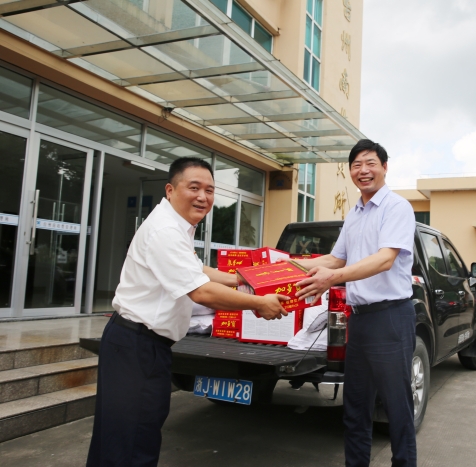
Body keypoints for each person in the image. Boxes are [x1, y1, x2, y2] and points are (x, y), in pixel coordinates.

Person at [86, 157, 289, 467]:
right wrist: (260, 303)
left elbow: (198, 270)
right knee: (133, 441)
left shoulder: (176, 226)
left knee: (120, 437)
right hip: (137, 346)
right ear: (170, 190)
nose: (203, 197)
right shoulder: (165, 231)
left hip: (138, 344)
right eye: (194, 188)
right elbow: (201, 291)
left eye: (209, 190)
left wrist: (242, 278)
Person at [293, 139, 417, 467]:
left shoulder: (397, 208)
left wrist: (332, 278)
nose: (363, 170)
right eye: (356, 165)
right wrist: (283, 265)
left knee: (397, 408)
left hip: (390, 318)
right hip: (359, 320)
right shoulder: (354, 214)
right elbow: (335, 259)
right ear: (350, 171)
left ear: (384, 167)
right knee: (356, 407)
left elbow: (384, 259)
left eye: (370, 163)